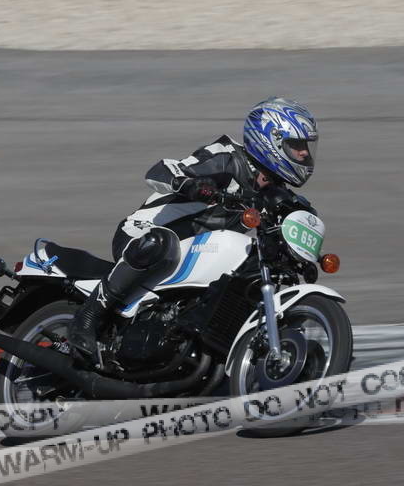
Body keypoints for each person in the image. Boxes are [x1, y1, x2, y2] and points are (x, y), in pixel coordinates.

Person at [68, 96, 319, 365]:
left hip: (195, 256)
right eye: (296, 145)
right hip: (145, 235)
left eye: (306, 146)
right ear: (271, 140)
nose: (305, 153)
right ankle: (88, 316)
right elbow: (160, 171)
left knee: (249, 271)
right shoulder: (227, 158)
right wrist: (189, 184)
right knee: (162, 242)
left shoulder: (275, 195)